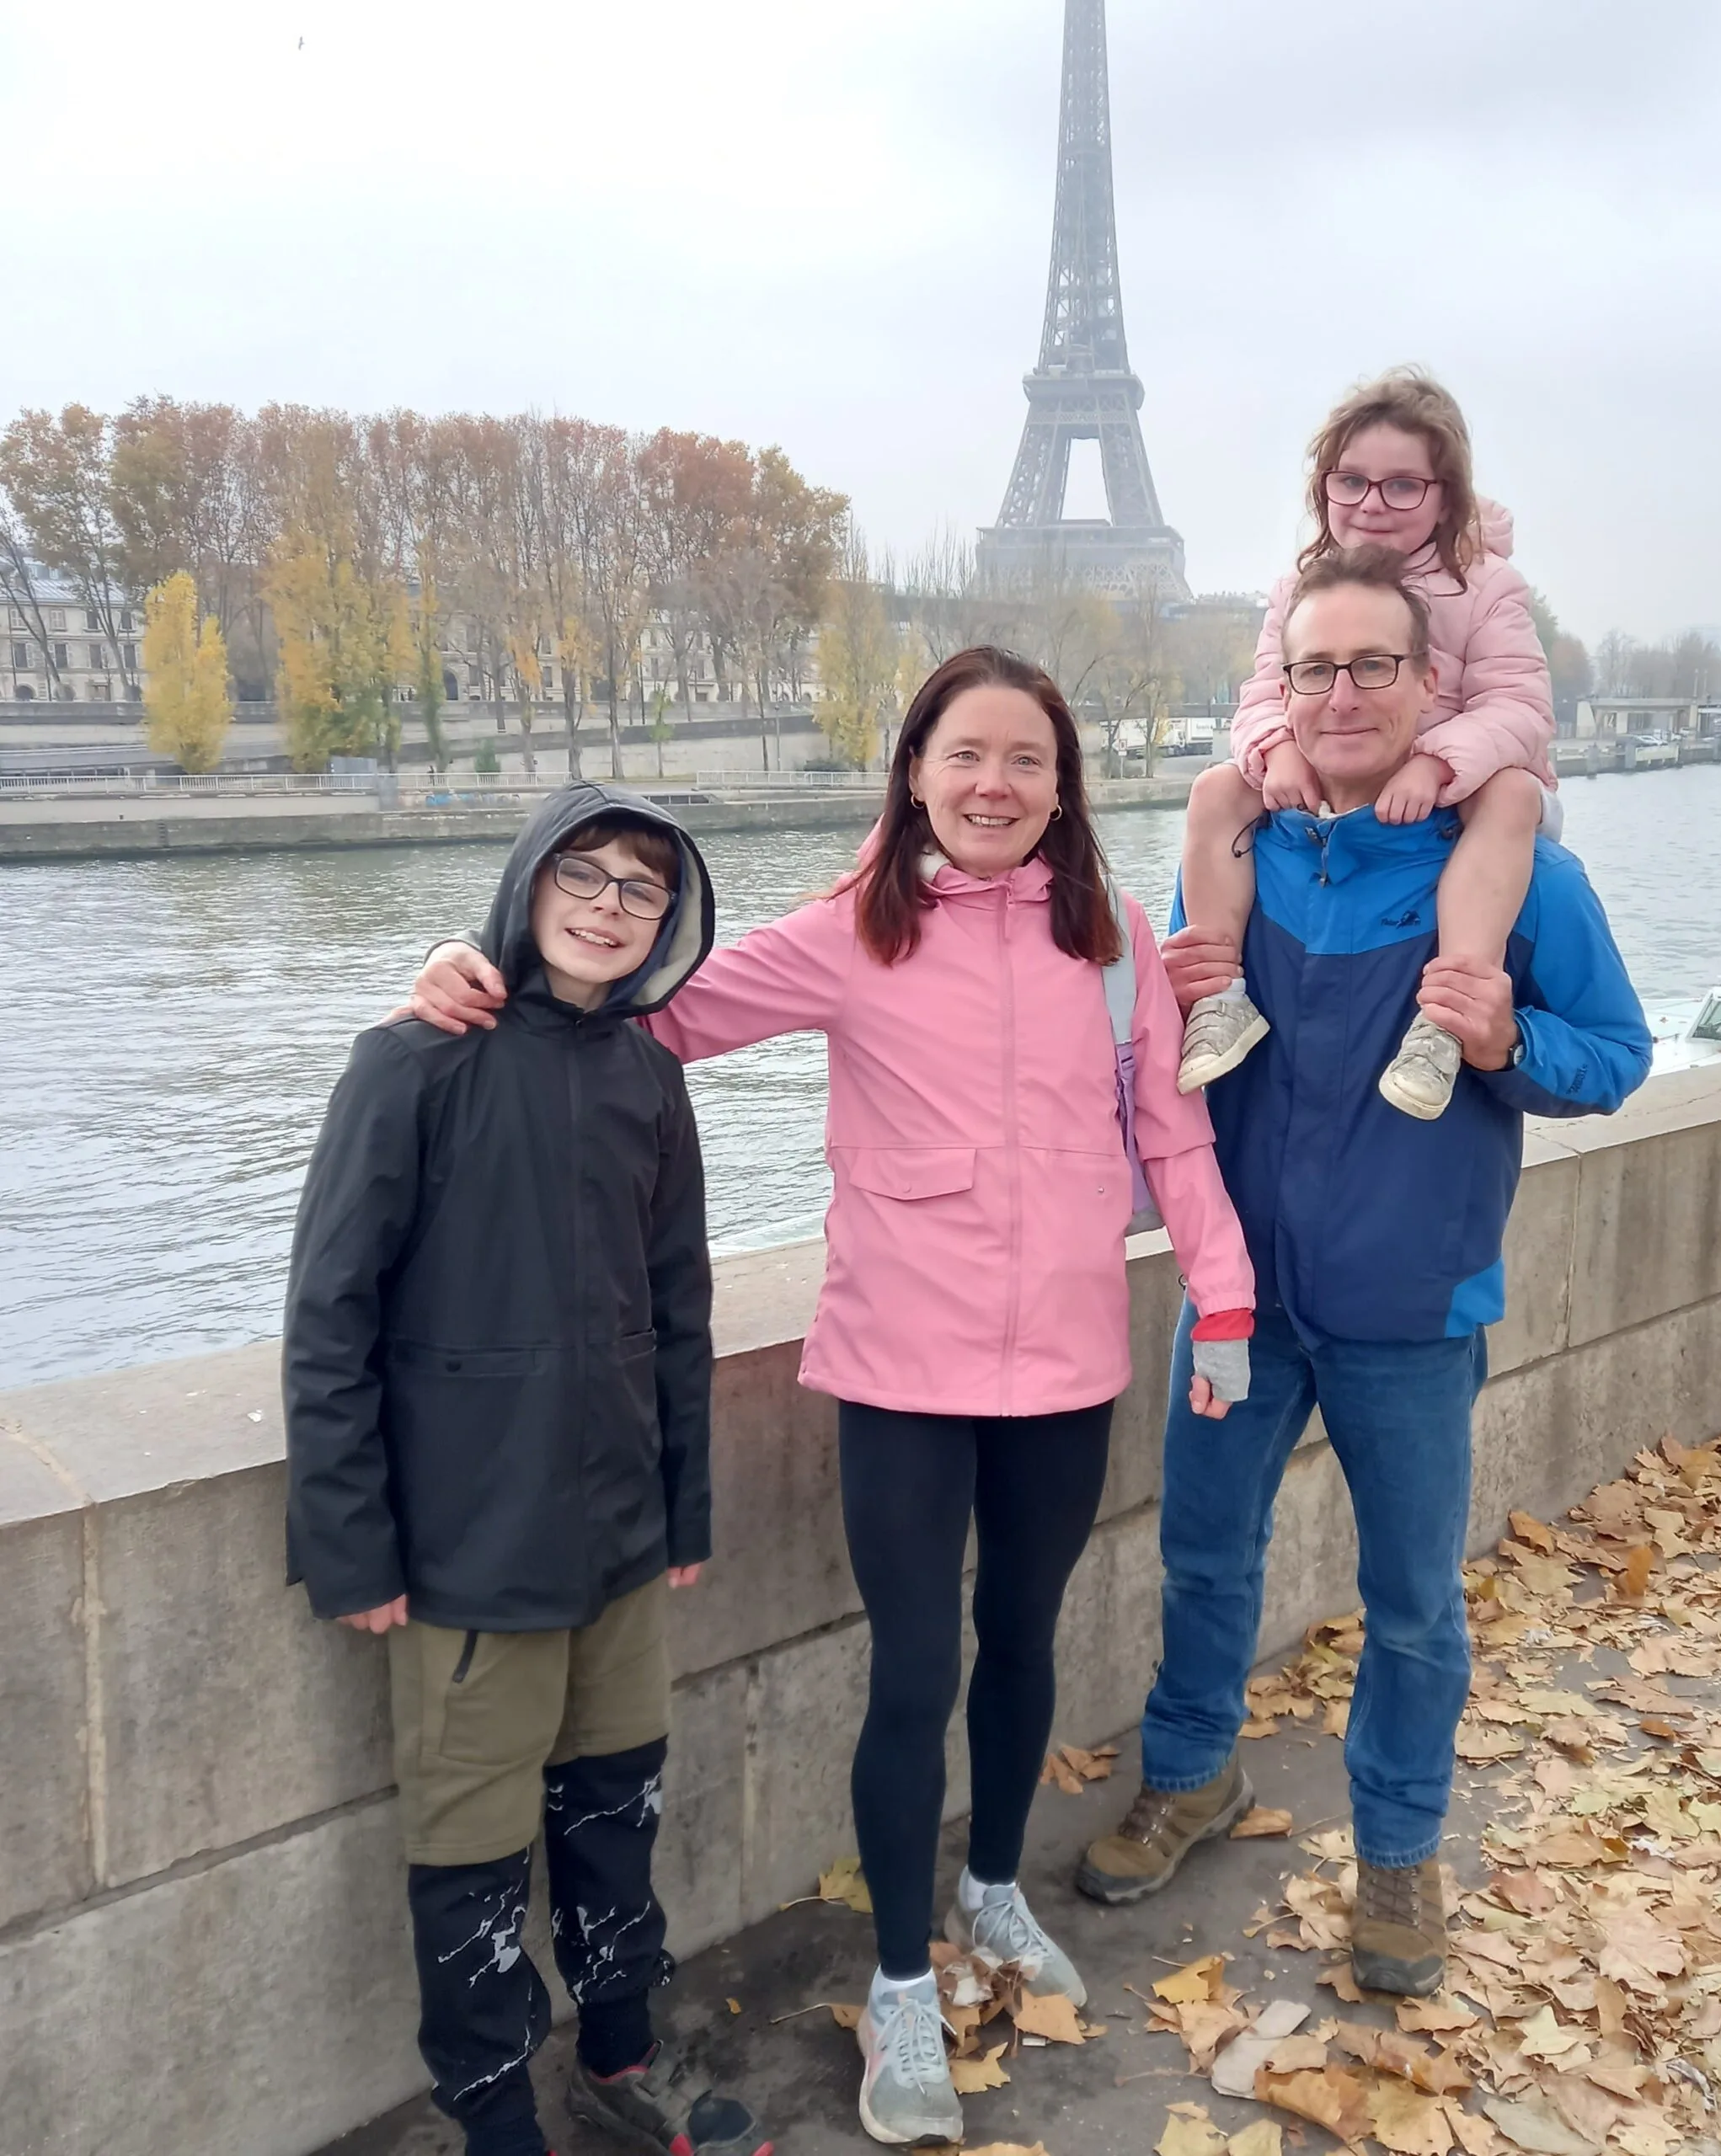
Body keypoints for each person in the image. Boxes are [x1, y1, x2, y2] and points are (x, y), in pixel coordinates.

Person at [405, 648, 1257, 2148]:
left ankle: (993, 1890)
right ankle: (898, 1985)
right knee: (915, 1673)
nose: (994, 785)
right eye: (965, 756)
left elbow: (1171, 1132)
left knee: (1026, 1649)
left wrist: (1226, 1295)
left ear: (1063, 788)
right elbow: (649, 1006)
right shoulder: (852, 930)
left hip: (1068, 1361)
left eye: (1026, 762)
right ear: (916, 772)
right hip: (901, 1371)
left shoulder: (1115, 937)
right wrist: (475, 977)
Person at [1077, 549, 1652, 1999]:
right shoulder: (1237, 857)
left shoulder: (1521, 877)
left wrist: (1508, 1043)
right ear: (1281, 690)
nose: (1341, 694)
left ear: (1430, 686)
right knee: (1206, 1557)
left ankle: (1399, 1853)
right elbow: (1153, 1070)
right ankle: (1191, 1774)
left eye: (1373, 666)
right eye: (1314, 668)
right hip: (1240, 1301)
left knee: (1412, 1604)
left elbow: (1618, 1059)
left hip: (1408, 1308)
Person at [284, 785, 770, 2156]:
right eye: (587, 872)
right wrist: (352, 1543)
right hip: (463, 1552)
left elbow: (678, 1308)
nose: (613, 905)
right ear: (529, 880)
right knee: (473, 1859)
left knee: (619, 1814)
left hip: (619, 1537)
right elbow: (330, 1317)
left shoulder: (649, 1075)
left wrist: (683, 1504)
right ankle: (497, 2120)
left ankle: (619, 2059)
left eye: (643, 888)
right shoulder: (413, 1061)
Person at [1175, 367, 1558, 1123]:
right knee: (1218, 790)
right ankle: (1219, 994)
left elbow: (1519, 705)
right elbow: (1263, 692)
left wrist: (1435, 760)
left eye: (1402, 486)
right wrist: (1275, 750)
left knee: (1514, 792)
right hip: (1335, 781)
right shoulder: (1296, 589)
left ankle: (1450, 1010)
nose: (1373, 504)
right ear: (1323, 491)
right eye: (1350, 482)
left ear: (1444, 493)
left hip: (1468, 786)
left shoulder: (1486, 584)